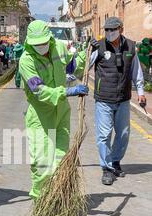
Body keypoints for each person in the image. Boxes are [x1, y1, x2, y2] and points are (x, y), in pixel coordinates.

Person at [19, 20, 87, 199]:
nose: (41, 46)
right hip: (41, 116)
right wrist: (68, 91)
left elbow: (73, 67)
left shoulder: (59, 47)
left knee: (61, 160)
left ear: (49, 38)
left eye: (43, 42)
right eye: (36, 44)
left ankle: (57, 200)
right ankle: (40, 203)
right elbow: (39, 91)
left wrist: (86, 53)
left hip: (61, 113)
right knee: (42, 163)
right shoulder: (26, 60)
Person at [90, 17, 146, 185]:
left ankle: (115, 162)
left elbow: (136, 72)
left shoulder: (130, 46)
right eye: (106, 30)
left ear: (121, 29)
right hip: (104, 99)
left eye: (112, 29)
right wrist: (86, 51)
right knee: (104, 134)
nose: (109, 33)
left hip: (123, 99)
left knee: (123, 134)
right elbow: (82, 66)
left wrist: (141, 92)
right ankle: (106, 169)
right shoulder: (98, 46)